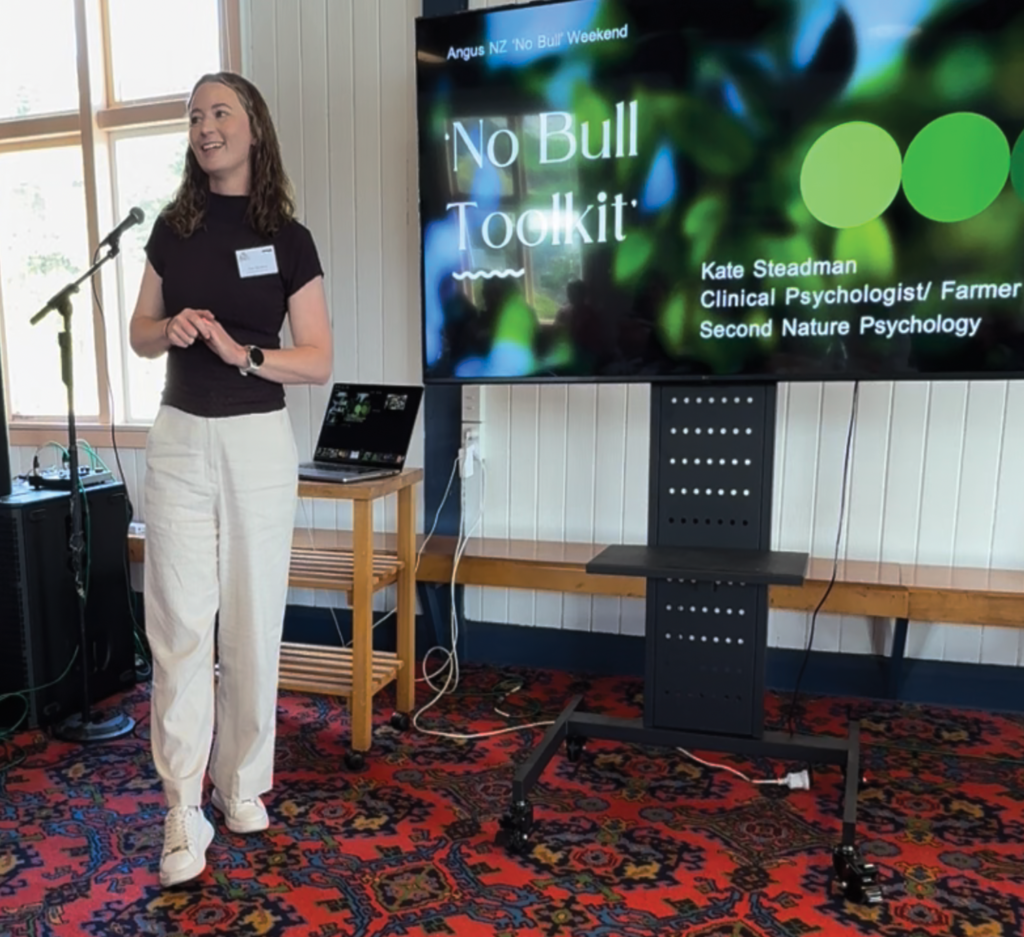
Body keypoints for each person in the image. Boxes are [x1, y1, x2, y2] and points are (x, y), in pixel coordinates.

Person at [129, 72, 332, 888]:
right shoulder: (171, 230)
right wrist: (168, 327)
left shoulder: (288, 237)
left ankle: (240, 782)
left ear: (253, 127)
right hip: (179, 438)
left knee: (250, 622)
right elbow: (140, 332)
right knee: (179, 627)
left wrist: (241, 352)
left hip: (256, 442)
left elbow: (316, 359)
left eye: (219, 112)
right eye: (194, 116)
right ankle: (183, 806)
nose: (205, 126)